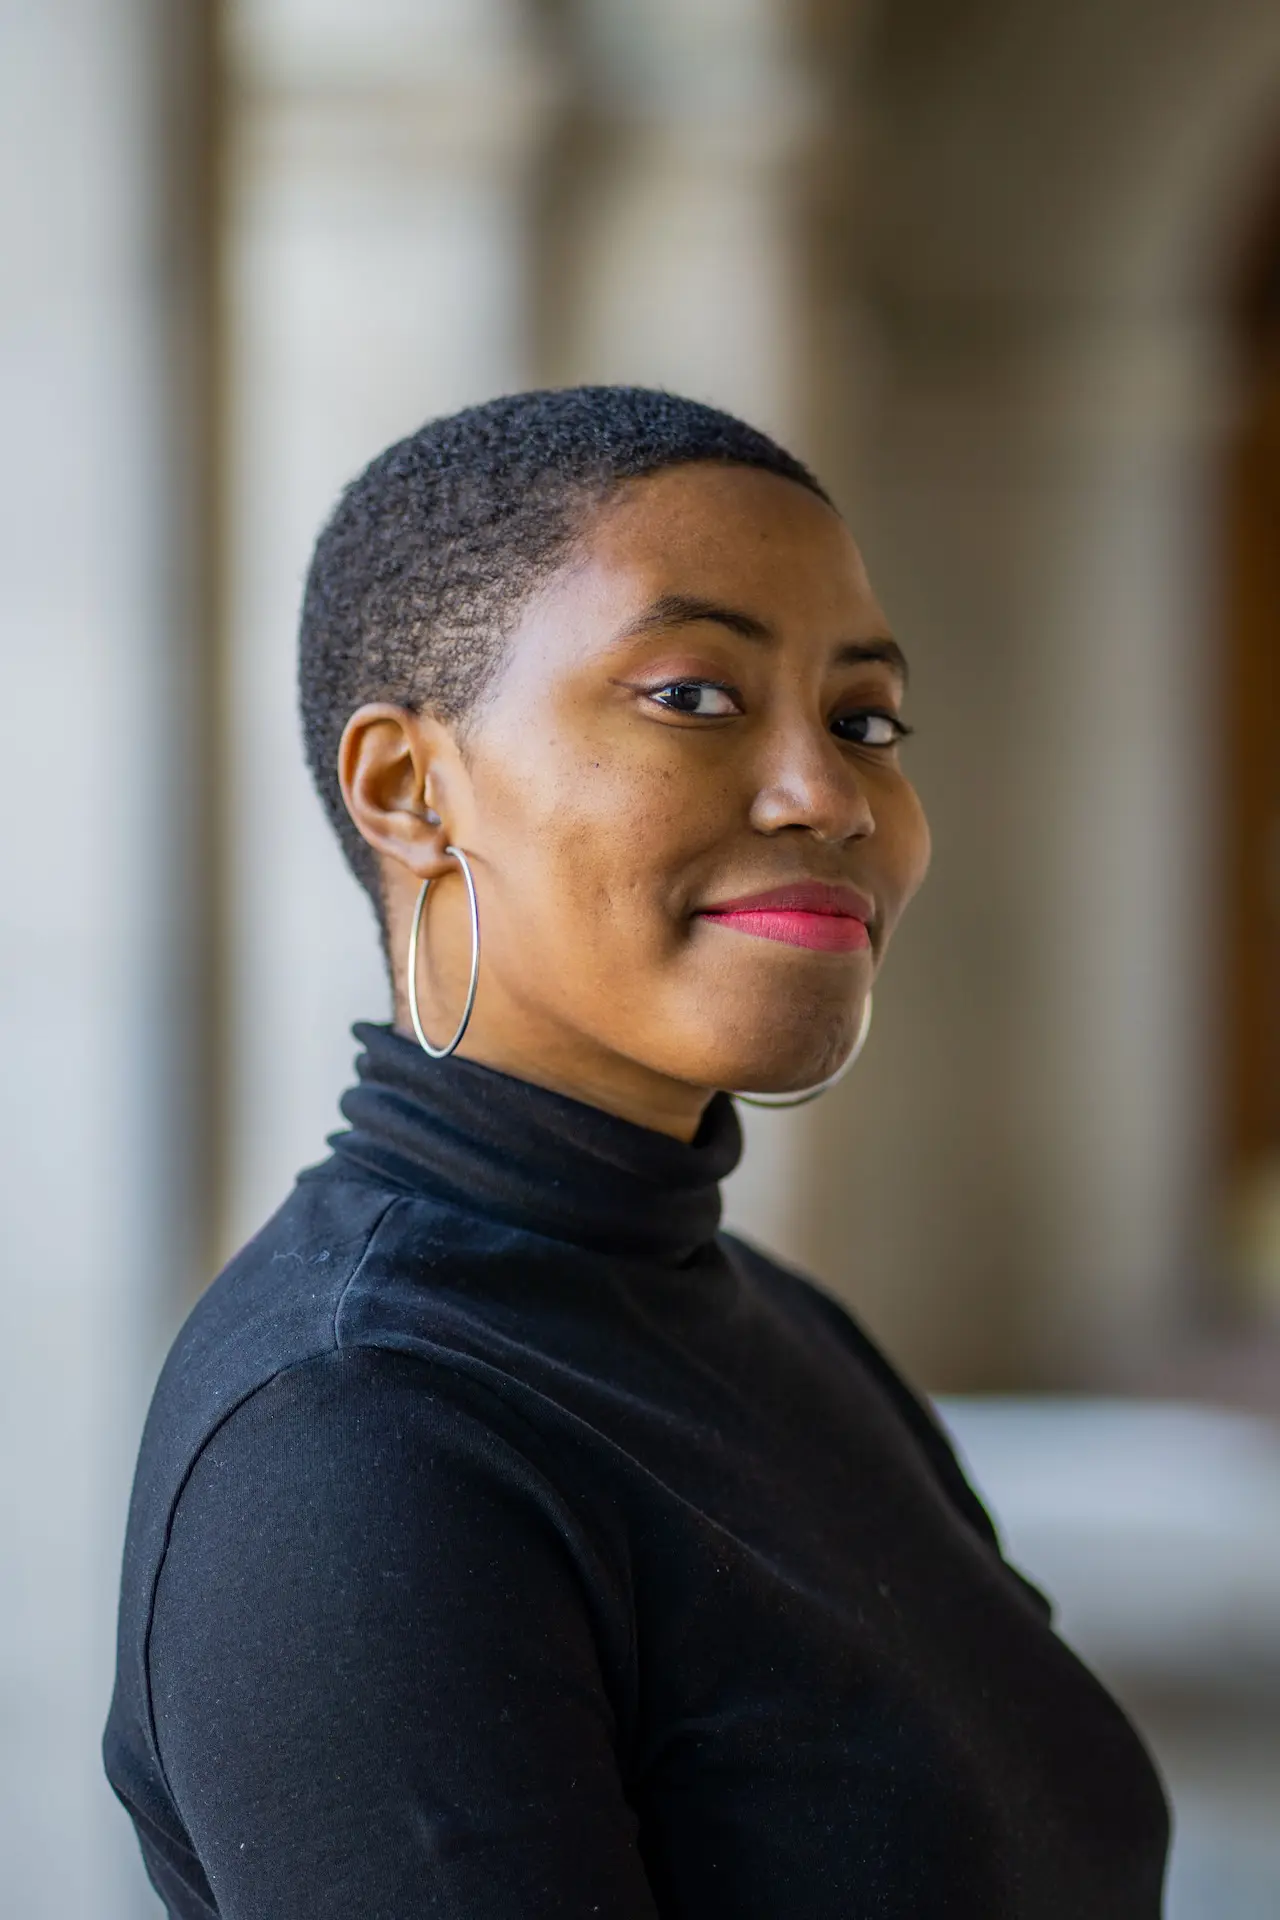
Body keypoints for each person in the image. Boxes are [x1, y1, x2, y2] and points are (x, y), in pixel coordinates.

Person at [103, 387, 1170, 1918]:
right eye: (694, 695)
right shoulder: (355, 1446)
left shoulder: (775, 1325)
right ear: (410, 789)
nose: (831, 795)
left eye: (865, 720)